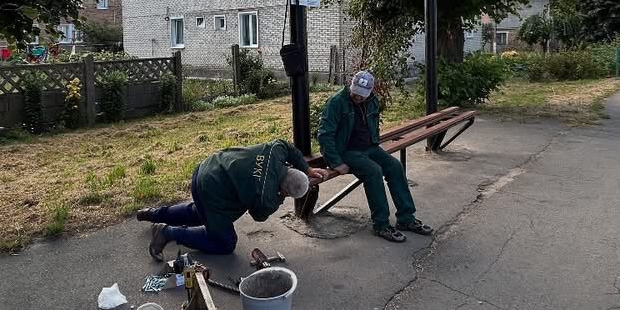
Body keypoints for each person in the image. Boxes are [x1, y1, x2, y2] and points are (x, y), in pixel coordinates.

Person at [136, 139, 329, 259]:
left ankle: (152, 214)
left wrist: (307, 169)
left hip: (206, 168)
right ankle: (168, 232)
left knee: (199, 212)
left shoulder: (275, 152)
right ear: (285, 192)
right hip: (211, 191)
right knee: (225, 243)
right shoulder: (267, 197)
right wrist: (279, 198)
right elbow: (259, 215)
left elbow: (288, 147)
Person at [317, 70, 432, 243]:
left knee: (395, 167)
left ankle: (406, 218)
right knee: (374, 171)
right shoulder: (336, 102)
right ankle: (381, 224)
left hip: (369, 147)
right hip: (346, 151)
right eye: (356, 92)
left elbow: (373, 124)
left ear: (370, 91)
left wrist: (374, 142)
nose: (358, 97)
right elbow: (325, 134)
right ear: (351, 85)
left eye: (362, 94)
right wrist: (335, 162)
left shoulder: (372, 100)